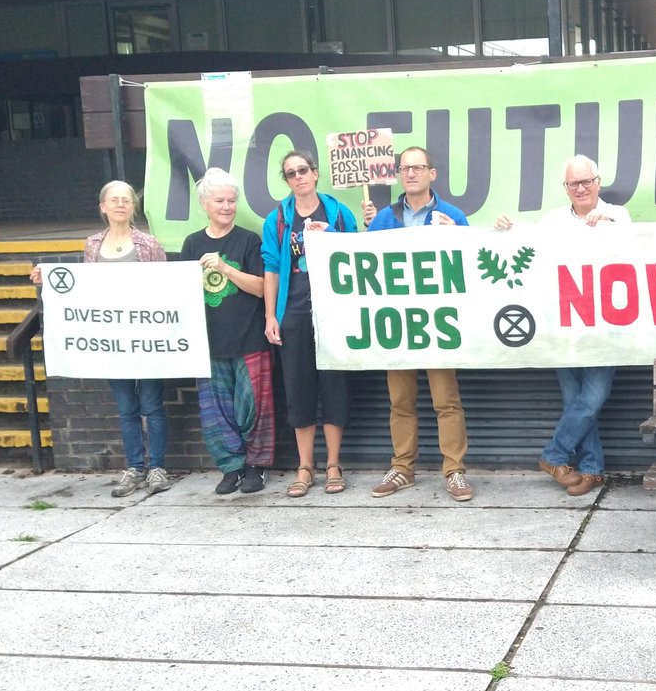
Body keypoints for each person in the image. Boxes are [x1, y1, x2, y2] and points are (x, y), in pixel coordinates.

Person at [495, 155, 628, 497]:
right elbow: (529, 248)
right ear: (565, 188)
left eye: (586, 182)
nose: (581, 188)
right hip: (562, 324)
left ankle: (553, 455)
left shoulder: (618, 215)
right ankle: (591, 469)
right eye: (573, 184)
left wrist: (609, 220)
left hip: (604, 326)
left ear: (599, 182)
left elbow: (634, 245)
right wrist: (507, 231)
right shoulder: (552, 221)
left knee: (594, 397)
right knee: (575, 400)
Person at [31, 181, 169, 498]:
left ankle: (158, 467)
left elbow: (165, 289)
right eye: (114, 200)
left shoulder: (149, 244)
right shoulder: (92, 245)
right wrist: (46, 278)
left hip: (145, 338)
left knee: (152, 404)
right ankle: (135, 467)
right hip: (111, 341)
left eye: (126, 200)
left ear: (133, 207)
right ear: (103, 207)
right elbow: (84, 288)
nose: (120, 204)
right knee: (126, 407)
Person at [361, 146, 473, 502]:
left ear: (432, 173)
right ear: (399, 174)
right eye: (405, 168)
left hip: (437, 324)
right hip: (398, 325)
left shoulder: (451, 215)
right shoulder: (384, 218)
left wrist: (457, 234)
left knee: (446, 400)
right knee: (400, 401)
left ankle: (454, 471)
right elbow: (363, 265)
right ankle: (402, 468)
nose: (411, 173)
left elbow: (469, 262)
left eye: (418, 167)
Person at [262, 150, 357, 498]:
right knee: (298, 388)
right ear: (286, 181)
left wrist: (328, 236)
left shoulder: (338, 212)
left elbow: (357, 257)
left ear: (315, 174)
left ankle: (333, 463)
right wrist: (272, 315)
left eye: (303, 170)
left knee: (334, 386)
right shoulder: (277, 219)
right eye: (291, 173)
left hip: (333, 312)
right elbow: (271, 267)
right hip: (295, 311)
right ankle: (306, 466)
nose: (298, 176)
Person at [180, 168, 275, 494]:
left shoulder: (249, 240)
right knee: (217, 409)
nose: (226, 206)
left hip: (248, 338)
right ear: (205, 204)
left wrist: (225, 268)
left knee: (253, 407)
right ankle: (231, 467)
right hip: (209, 341)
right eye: (219, 200)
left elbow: (261, 287)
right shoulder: (192, 243)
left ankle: (256, 466)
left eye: (231, 201)